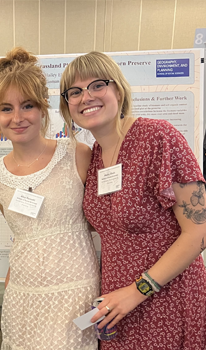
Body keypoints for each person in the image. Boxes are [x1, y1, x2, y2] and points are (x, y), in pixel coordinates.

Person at [59, 51, 206, 349]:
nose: (86, 97)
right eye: (74, 92)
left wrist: (138, 290)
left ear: (118, 90)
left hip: (166, 295)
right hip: (116, 303)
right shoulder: (94, 156)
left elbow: (199, 232)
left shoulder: (158, 137)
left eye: (97, 85)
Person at [0, 47, 100, 349]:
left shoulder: (78, 154)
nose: (18, 117)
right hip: (23, 294)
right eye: (7, 108)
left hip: (75, 291)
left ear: (43, 108)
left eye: (27, 106)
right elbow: (21, 235)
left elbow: (103, 225)